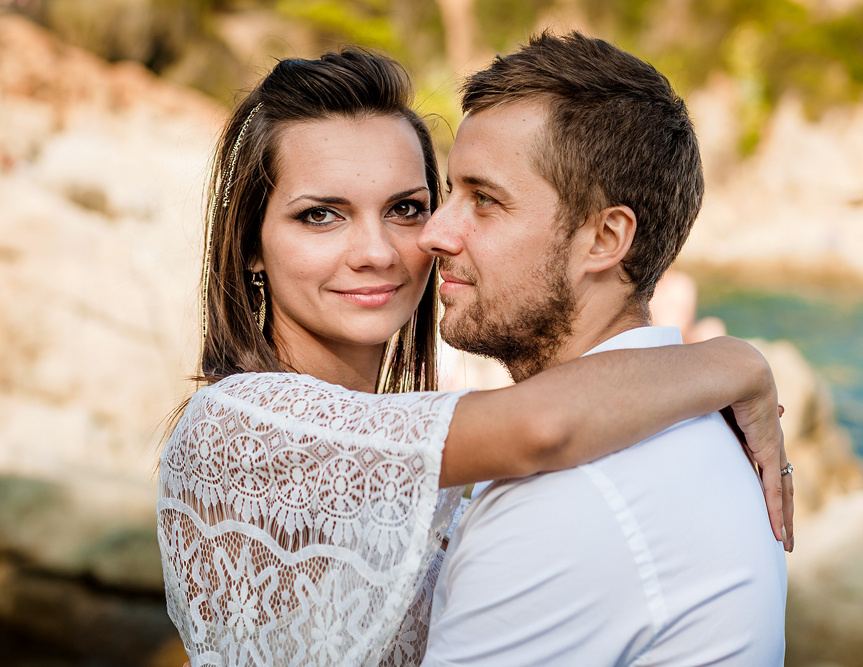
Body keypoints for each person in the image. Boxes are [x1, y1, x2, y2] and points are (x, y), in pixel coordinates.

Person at [158, 48, 790, 667]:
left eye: (406, 208)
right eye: (321, 215)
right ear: (251, 247)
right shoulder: (237, 425)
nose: (382, 250)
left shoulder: (426, 434)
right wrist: (731, 364)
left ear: (606, 239)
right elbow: (540, 426)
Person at [419, 32, 789, 666]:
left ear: (604, 239)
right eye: (449, 192)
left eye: (484, 199)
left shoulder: (559, 505)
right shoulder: (702, 425)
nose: (435, 231)